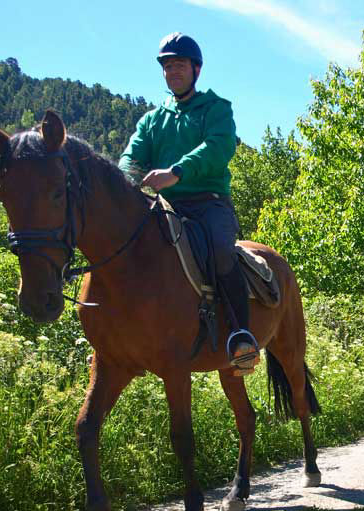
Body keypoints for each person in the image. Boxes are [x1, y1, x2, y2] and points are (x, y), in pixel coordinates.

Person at [118, 32, 259, 375]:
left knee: (221, 250)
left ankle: (242, 335)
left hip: (209, 205)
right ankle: (117, 337)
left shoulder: (216, 109)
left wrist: (177, 172)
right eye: (167, 66)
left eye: (179, 64)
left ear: (196, 69)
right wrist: (123, 181)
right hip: (163, 207)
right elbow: (130, 159)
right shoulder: (152, 120)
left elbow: (218, 148)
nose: (172, 71)